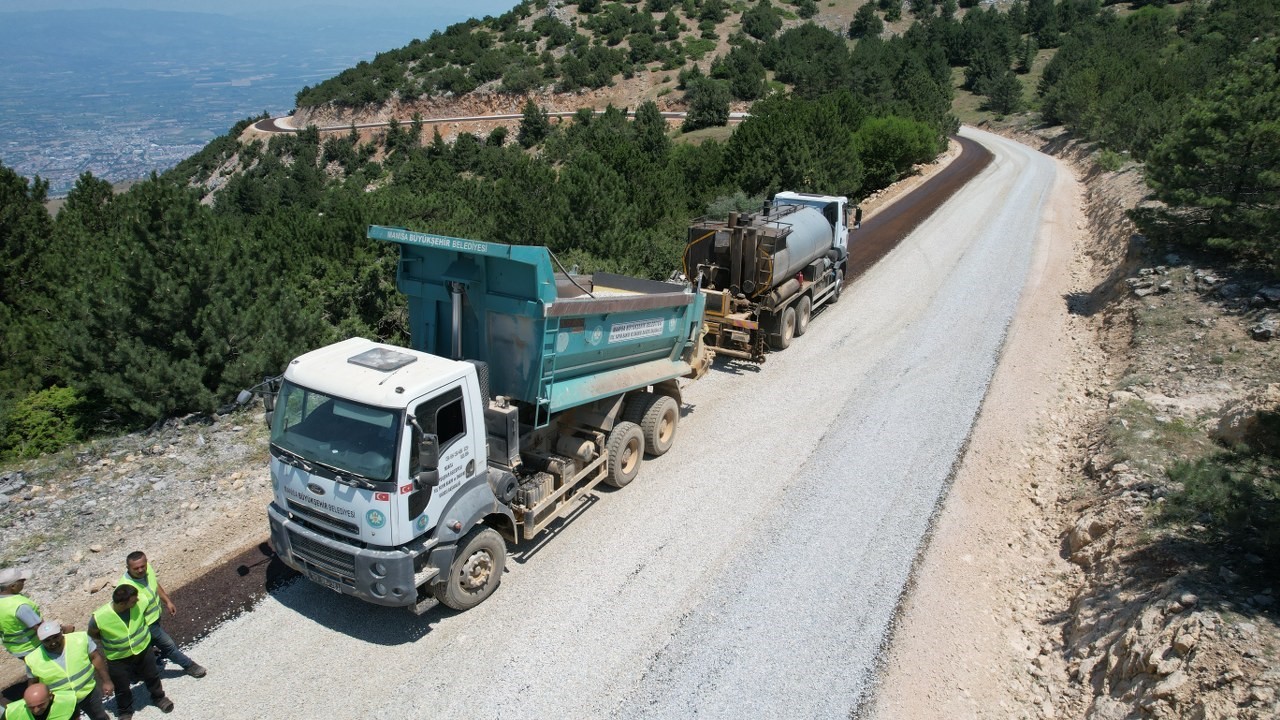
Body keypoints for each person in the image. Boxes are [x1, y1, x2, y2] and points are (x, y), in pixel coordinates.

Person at [88, 585, 173, 719]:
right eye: (133, 601)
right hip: (117, 658)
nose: (137, 601)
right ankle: (125, 711)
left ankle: (159, 698)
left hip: (143, 649)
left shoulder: (141, 601)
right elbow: (93, 633)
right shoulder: (99, 617)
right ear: (122, 603)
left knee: (152, 675)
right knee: (121, 686)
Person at [117, 552, 204, 678]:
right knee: (168, 646)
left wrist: (167, 601)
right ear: (128, 568)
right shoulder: (125, 588)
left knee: (148, 647)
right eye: (136, 568)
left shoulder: (148, 569)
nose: (141, 570)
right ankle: (190, 666)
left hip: (155, 617)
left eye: (143, 566)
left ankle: (137, 670)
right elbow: (122, 611)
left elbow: (154, 584)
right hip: (146, 624)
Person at [23, 622, 112, 720]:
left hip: (88, 693)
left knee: (100, 717)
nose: (52, 642)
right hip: (62, 702)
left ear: (61, 632)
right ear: (40, 640)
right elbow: (33, 683)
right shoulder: (32, 659)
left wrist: (107, 681)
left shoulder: (80, 639)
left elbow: (96, 658)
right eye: (47, 640)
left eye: (55, 637)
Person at [0, 569, 71, 660]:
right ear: (13, 586)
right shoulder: (19, 606)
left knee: (35, 669)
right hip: (33, 646)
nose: (24, 582)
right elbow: (41, 629)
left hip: (16, 649)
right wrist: (63, 629)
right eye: (21, 580)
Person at [3, 683, 76, 720]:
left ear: (50, 696)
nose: (36, 710)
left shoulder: (67, 702)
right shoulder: (12, 712)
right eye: (31, 707)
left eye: (40, 705)